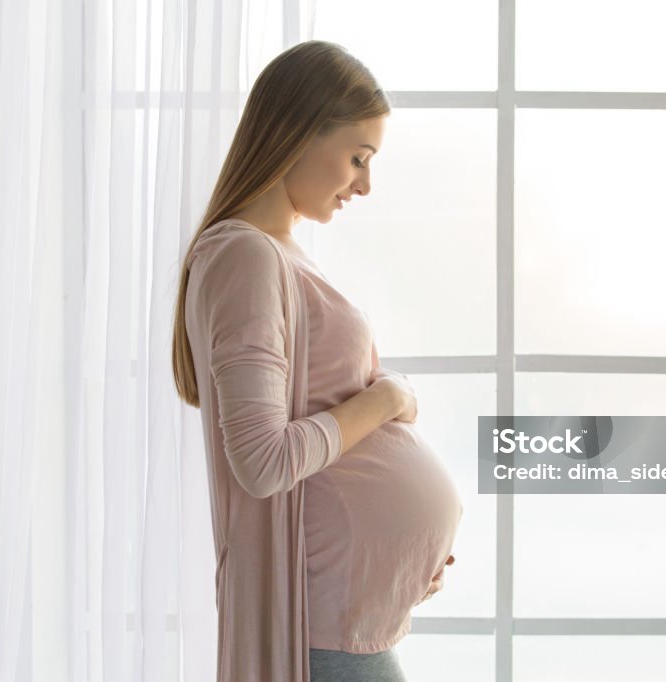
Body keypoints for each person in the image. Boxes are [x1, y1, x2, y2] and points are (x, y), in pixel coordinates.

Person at [171, 40, 462, 682]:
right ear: (298, 134)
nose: (365, 183)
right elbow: (265, 461)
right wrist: (387, 399)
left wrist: (398, 558)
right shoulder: (245, 256)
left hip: (344, 621)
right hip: (319, 632)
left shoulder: (279, 252)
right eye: (358, 157)